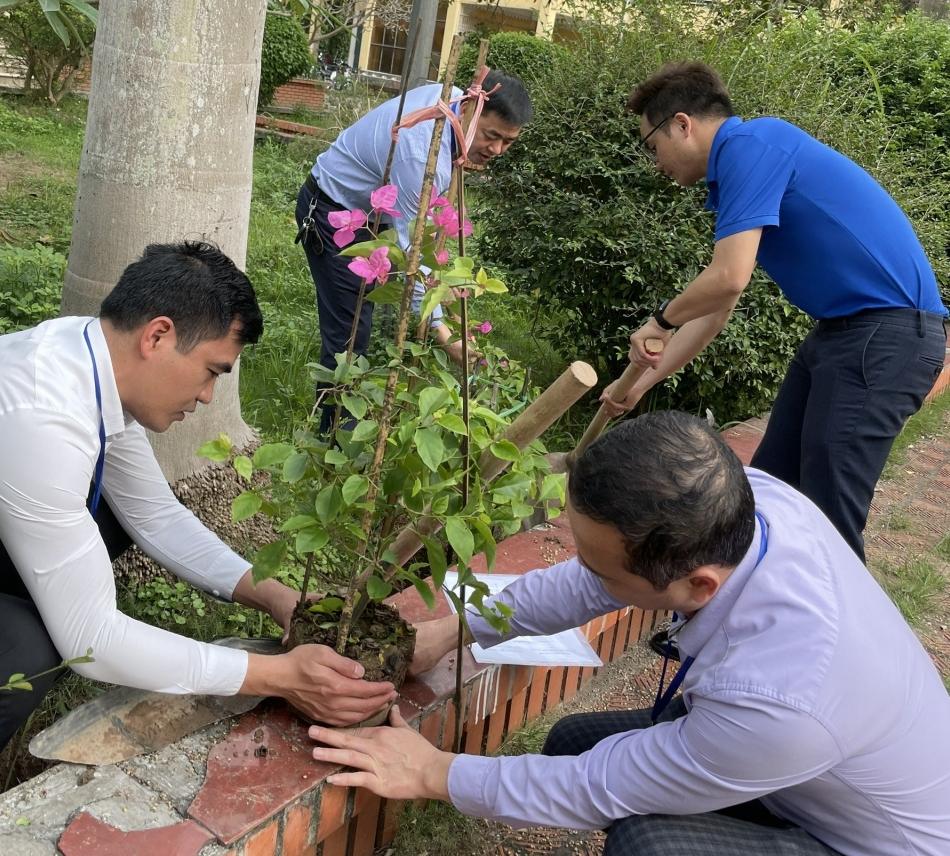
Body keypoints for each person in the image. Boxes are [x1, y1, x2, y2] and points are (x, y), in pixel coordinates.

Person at [309, 411, 950, 856]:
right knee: (571, 741)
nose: (588, 575)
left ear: (697, 585)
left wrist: (434, 772)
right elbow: (593, 582)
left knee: (649, 844)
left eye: (603, 566)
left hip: (868, 843)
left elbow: (597, 789)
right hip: (801, 772)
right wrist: (452, 631)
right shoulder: (744, 501)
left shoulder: (779, 699)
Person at [0, 242, 396, 827]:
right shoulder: (37, 420)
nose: (206, 398)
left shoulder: (91, 357)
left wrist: (271, 593)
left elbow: (153, 514)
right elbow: (92, 640)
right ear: (157, 335)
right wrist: (278, 676)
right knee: (15, 652)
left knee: (111, 519)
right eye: (210, 372)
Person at [598, 61, 947, 562]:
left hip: (885, 337)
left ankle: (841, 634)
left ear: (681, 123)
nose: (657, 162)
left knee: (827, 520)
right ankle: (752, 628)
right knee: (770, 493)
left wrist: (658, 320)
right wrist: (639, 385)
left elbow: (727, 277)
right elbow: (719, 305)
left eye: (653, 146)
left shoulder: (752, 146)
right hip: (844, 335)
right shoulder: (743, 165)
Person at [296, 70, 532, 432]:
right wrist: (444, 335)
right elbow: (412, 255)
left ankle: (346, 424)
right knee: (349, 334)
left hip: (375, 215)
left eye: (509, 142)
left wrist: (443, 302)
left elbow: (420, 244)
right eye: (492, 136)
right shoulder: (422, 157)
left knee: (372, 311)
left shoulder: (456, 100)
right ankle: (331, 439)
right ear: (469, 110)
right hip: (332, 212)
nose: (497, 150)